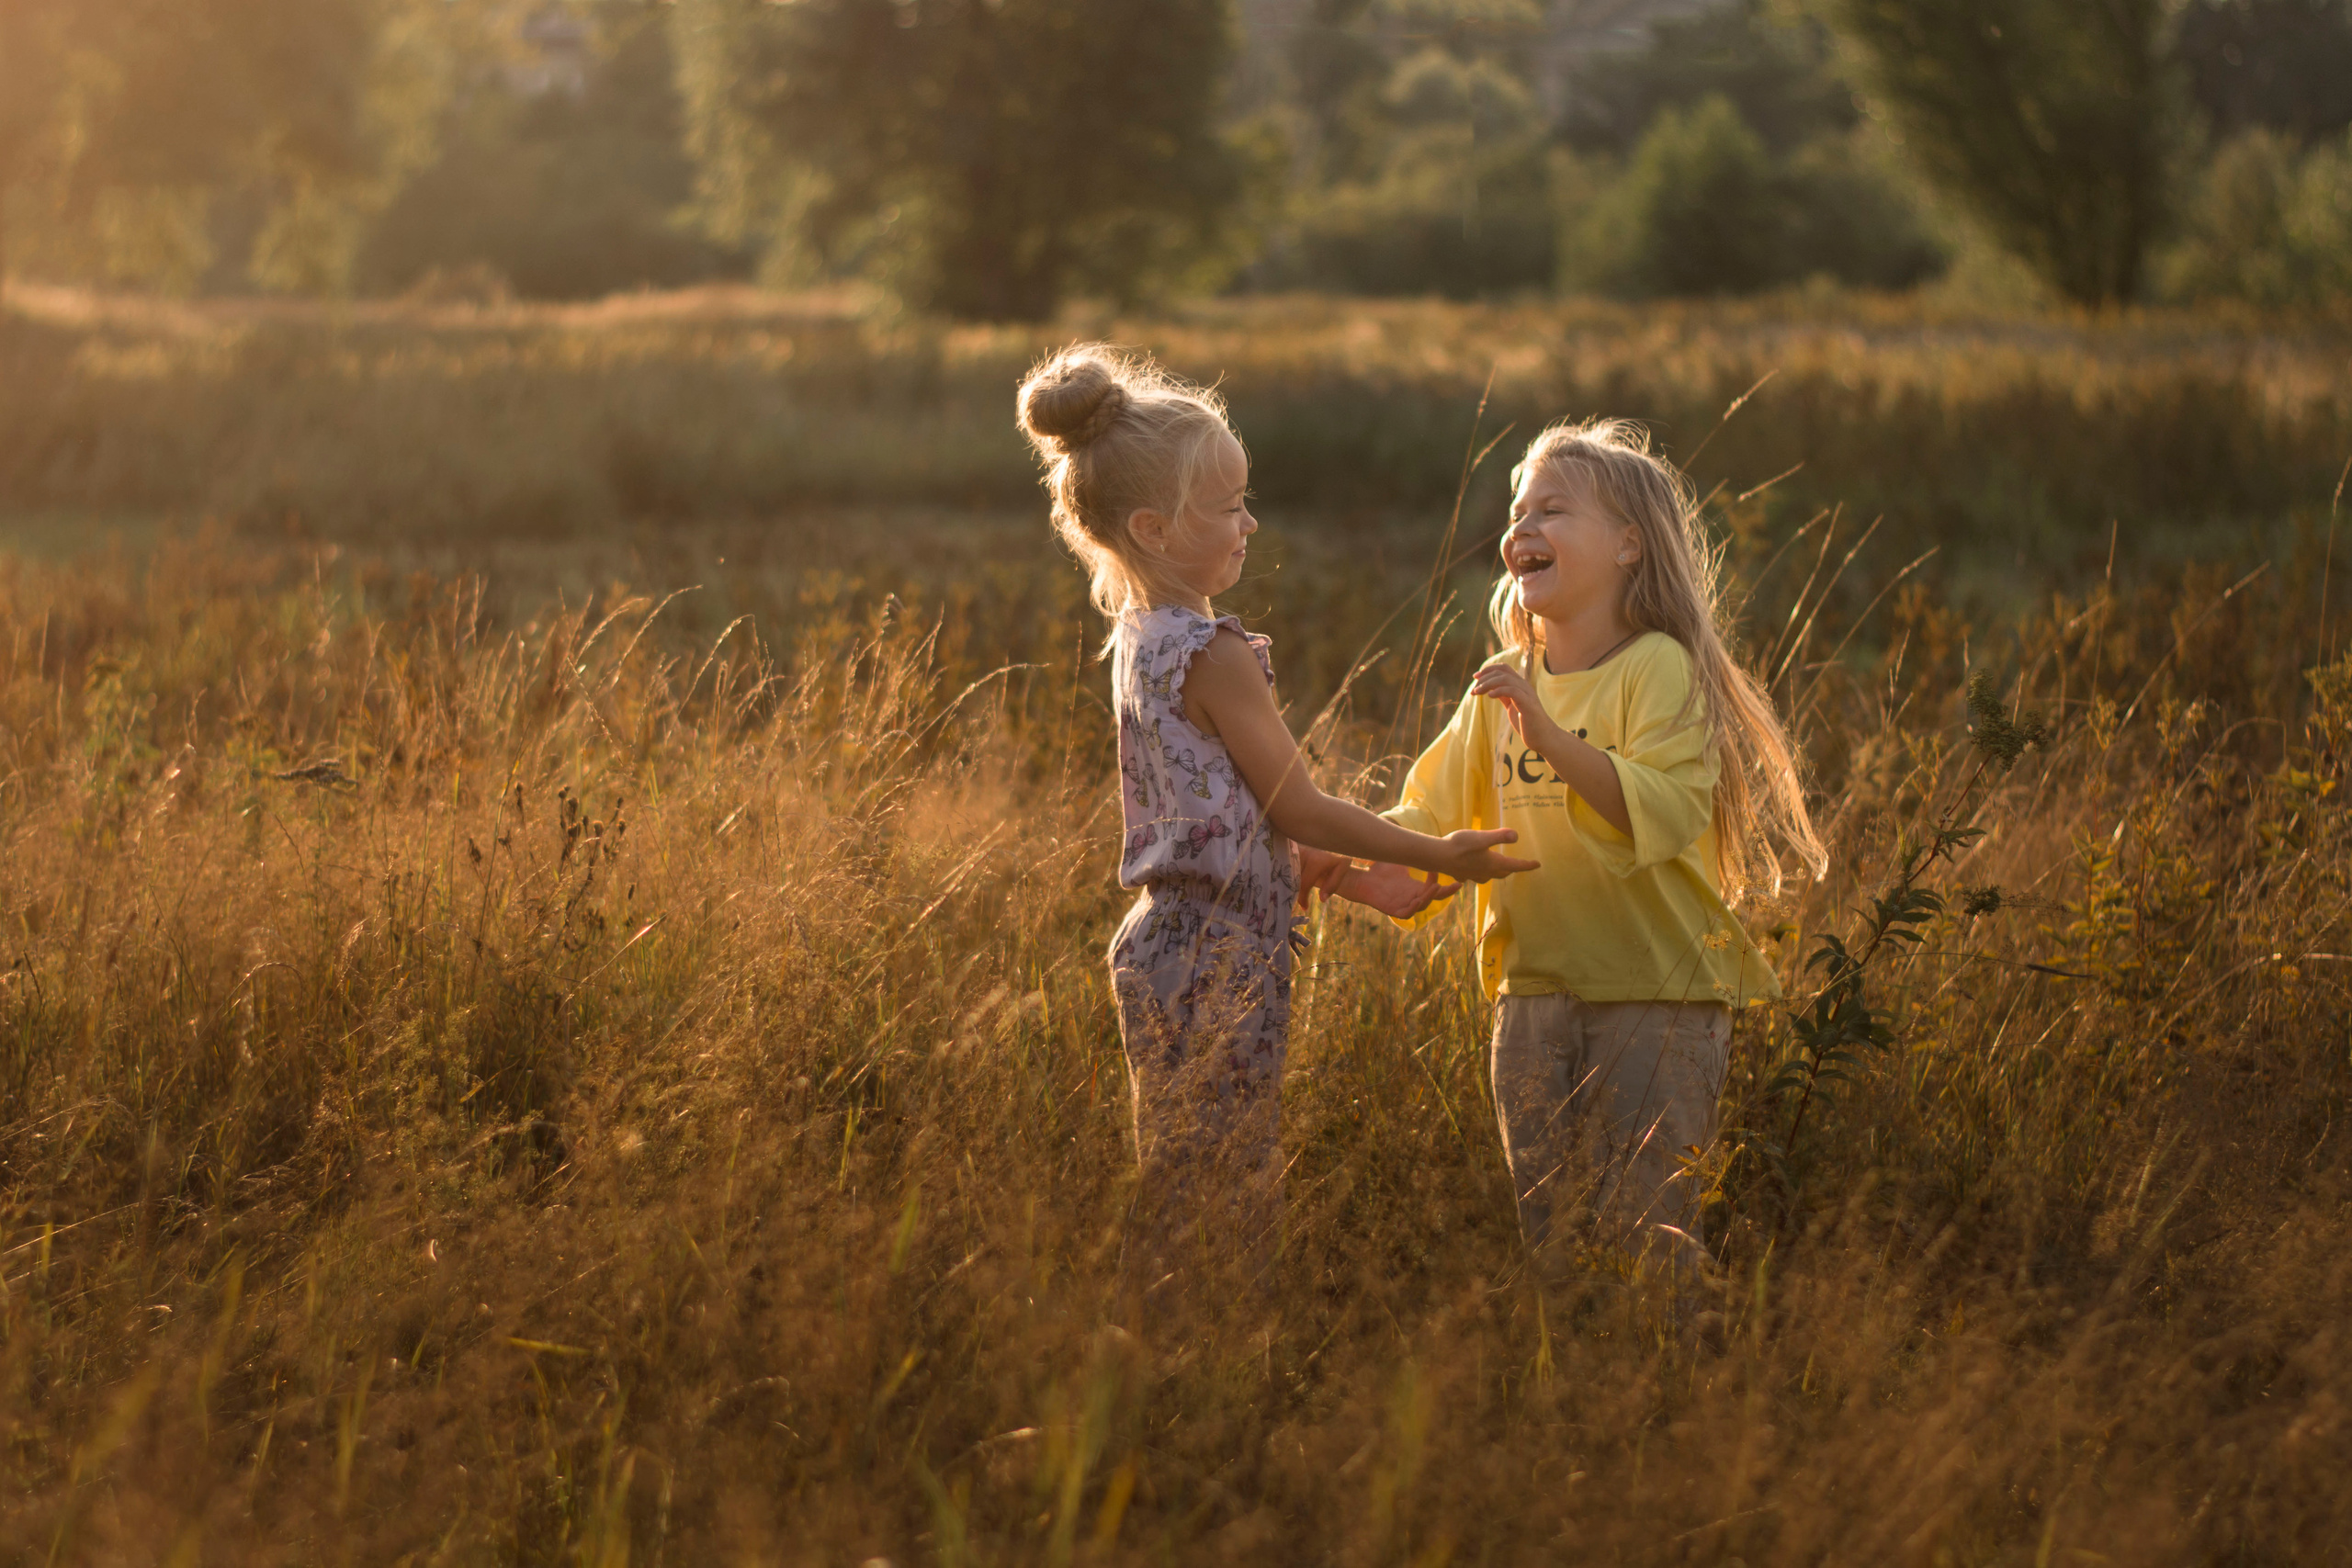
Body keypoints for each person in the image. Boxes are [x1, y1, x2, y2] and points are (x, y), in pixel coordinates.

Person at [1014, 343, 1537, 1269]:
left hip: (1167, 941)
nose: (1248, 523)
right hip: (1218, 956)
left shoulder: (1141, 638)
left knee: (1182, 1175)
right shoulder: (1209, 653)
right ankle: (1215, 1359)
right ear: (1153, 528)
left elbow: (1220, 819)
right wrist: (1442, 852)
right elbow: (1297, 806)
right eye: (1225, 507)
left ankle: (1174, 1351)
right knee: (1229, 1193)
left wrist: (1345, 880)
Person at [1382, 418, 1826, 1280]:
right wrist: (1333, 854)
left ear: (1629, 545)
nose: (1522, 529)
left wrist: (1546, 733)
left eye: (1553, 509)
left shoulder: (1655, 666)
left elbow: (1661, 806)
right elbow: (1422, 812)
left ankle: (1678, 1390)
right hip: (1532, 995)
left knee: (1649, 1231)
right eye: (1517, 513)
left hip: (1655, 1001)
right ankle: (1573, 1400)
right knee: (1549, 1240)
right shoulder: (1503, 684)